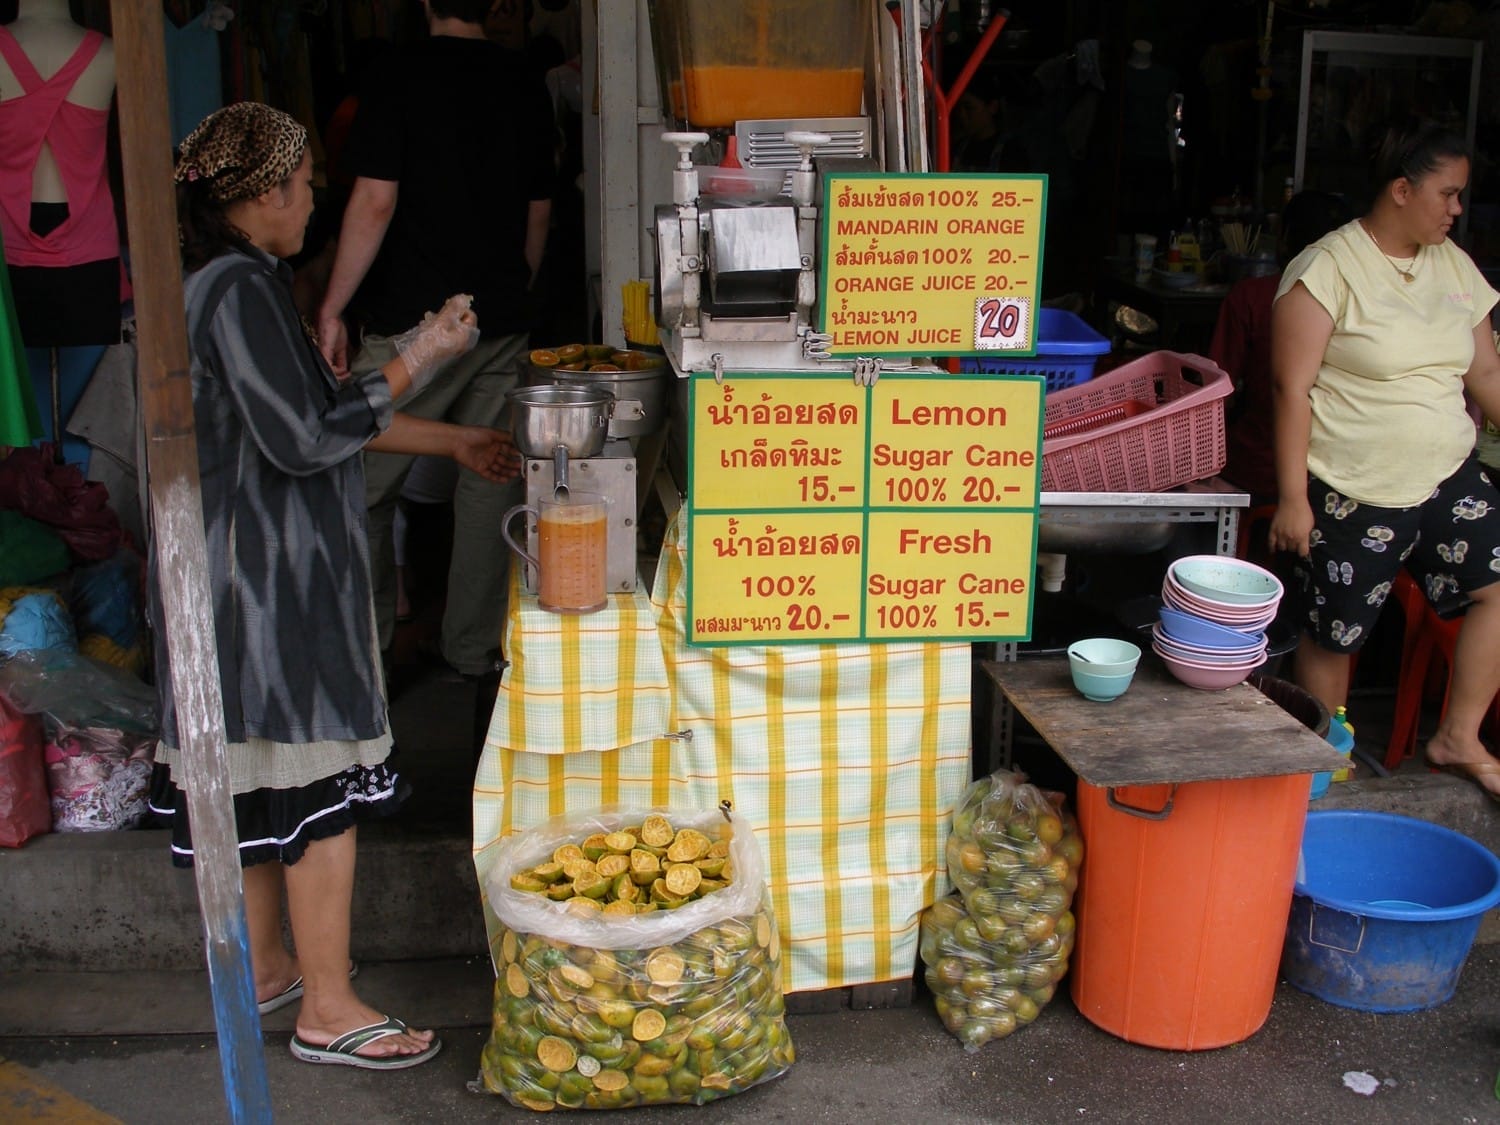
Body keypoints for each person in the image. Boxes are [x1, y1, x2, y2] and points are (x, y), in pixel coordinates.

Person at [149, 101, 521, 1069]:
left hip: (240, 572)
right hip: (265, 579)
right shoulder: (236, 289)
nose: (312, 198)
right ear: (266, 192)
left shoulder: (232, 282)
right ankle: (329, 1004)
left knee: (262, 774)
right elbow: (309, 436)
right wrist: (425, 356)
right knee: (315, 783)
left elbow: (311, 411)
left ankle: (268, 966)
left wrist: (450, 436)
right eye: (307, 183)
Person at [316, 0, 555, 683]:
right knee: (490, 481)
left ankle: (363, 661)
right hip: (501, 316)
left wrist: (333, 305)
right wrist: (514, 291)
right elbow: (539, 213)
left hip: (414, 326)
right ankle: (473, 651)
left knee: (355, 478)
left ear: (423, 2)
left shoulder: (397, 73)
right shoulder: (522, 82)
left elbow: (375, 200)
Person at [1268, 116, 1500, 804]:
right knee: (1335, 635)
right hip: (1353, 485)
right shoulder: (1328, 267)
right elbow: (1291, 387)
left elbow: (1485, 372)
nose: (1458, 209)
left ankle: (1459, 735)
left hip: (1447, 476)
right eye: (1447, 194)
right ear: (1402, 189)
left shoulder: (1455, 268)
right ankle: (1327, 764)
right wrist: (1292, 495)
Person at [0, 0, 123, 470]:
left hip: (12, 241)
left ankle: (55, 516)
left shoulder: (111, 51)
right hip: (89, 248)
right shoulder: (108, 52)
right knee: (81, 415)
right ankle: (79, 516)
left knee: (22, 409)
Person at [1209, 190, 1351, 504]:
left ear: (1284, 238)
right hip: (1341, 470)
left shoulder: (1252, 297)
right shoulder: (1362, 306)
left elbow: (1216, 395)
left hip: (1261, 466)